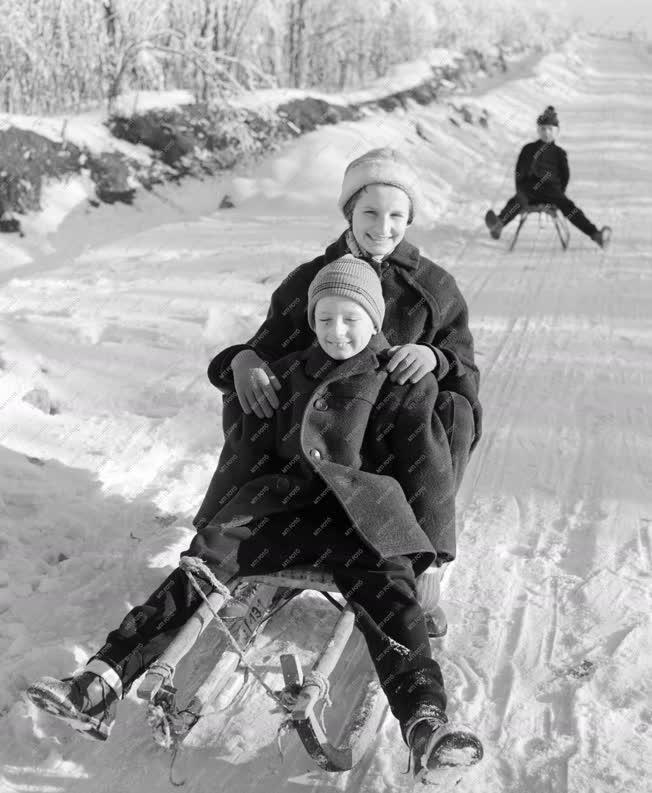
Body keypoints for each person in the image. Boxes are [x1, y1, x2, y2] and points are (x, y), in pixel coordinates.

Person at [27, 257, 482, 777]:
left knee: (392, 602)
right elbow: (246, 452)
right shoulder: (289, 372)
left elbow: (427, 471)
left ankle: (426, 722)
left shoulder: (400, 382)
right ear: (312, 321)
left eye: (351, 319)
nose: (337, 331)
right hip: (279, 519)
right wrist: (218, 522)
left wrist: (433, 556)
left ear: (375, 322)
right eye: (326, 318)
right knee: (197, 572)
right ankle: (99, 683)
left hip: (360, 527)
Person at [484, 105, 612, 248]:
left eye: (550, 129)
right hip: (529, 190)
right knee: (517, 200)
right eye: (543, 129)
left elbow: (565, 176)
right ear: (538, 130)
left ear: (556, 131)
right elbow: (519, 173)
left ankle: (595, 235)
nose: (546, 133)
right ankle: (499, 224)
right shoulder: (528, 149)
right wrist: (521, 189)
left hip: (552, 192)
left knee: (569, 208)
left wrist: (559, 193)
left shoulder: (559, 153)